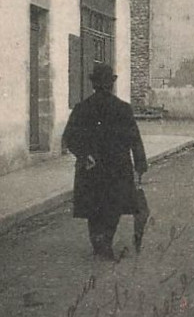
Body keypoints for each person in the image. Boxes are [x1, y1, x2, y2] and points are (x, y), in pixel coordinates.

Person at [62, 63, 147, 259]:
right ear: (111, 84)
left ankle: (98, 242)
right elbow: (135, 139)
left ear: (94, 85)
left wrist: (84, 155)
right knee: (113, 206)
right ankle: (106, 241)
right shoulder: (123, 109)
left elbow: (69, 138)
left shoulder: (82, 108)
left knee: (94, 207)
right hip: (117, 168)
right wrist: (140, 165)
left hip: (91, 167)